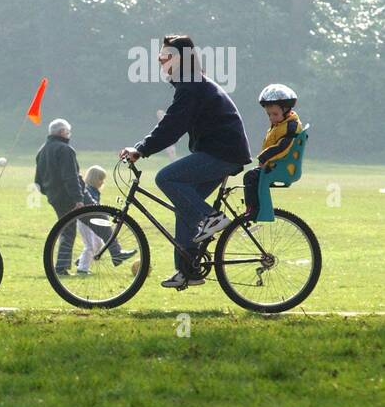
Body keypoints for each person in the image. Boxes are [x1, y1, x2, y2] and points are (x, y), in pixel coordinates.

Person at [119, 35, 251, 289]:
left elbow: (172, 125)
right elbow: (172, 124)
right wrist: (143, 147)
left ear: (180, 59)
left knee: (166, 178)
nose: (160, 61)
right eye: (159, 57)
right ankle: (188, 271)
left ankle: (211, 217)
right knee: (184, 205)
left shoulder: (190, 84)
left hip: (222, 152)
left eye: (164, 56)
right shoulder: (191, 83)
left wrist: (141, 149)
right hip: (221, 151)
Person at [239, 84, 301, 220]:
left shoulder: (291, 126)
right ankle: (255, 208)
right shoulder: (281, 123)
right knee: (252, 177)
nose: (271, 118)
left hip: (283, 167)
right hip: (276, 165)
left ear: (286, 110)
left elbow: (283, 147)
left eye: (275, 114)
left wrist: (264, 158)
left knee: (250, 177)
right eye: (269, 114)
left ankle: (254, 209)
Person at [33, 118, 86, 275]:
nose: (69, 135)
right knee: (70, 230)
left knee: (66, 229)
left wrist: (49, 193)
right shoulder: (65, 150)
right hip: (67, 197)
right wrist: (78, 199)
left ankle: (68, 264)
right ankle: (61, 268)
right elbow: (70, 177)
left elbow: (38, 180)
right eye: (68, 132)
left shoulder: (42, 150)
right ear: (63, 132)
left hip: (54, 196)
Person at [74, 165, 136, 273]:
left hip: (90, 221)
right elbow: (91, 205)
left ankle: (81, 261)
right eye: (100, 179)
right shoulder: (88, 189)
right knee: (90, 245)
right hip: (85, 222)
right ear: (93, 178)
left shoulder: (94, 190)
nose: (102, 182)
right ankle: (82, 269)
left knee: (97, 244)